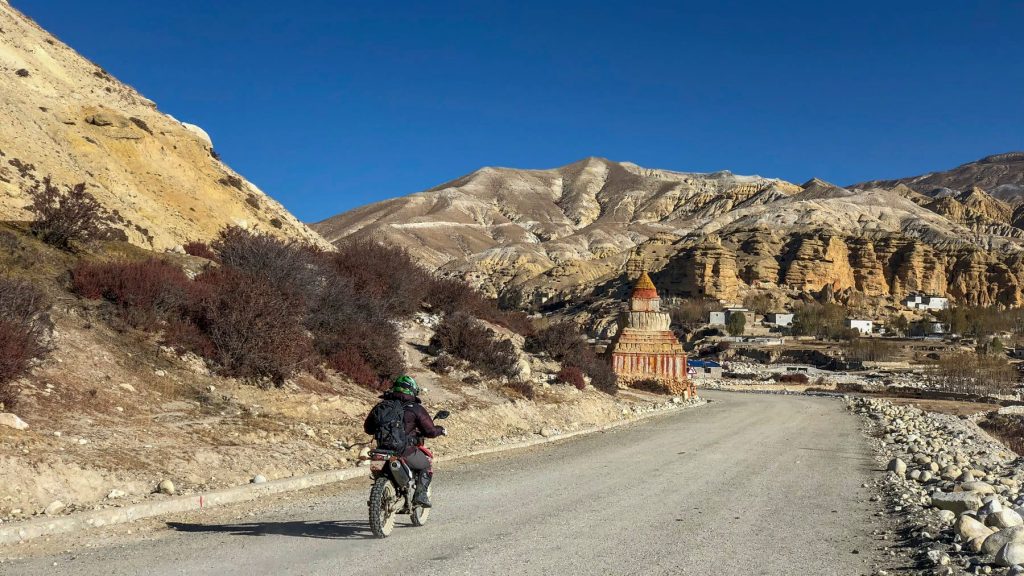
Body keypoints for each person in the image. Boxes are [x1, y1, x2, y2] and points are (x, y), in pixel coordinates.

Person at [363, 375, 445, 507]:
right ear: (412, 390)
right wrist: (440, 430)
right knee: (426, 465)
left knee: (378, 472)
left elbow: (368, 428)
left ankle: (382, 494)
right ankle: (420, 495)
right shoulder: (415, 408)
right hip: (405, 451)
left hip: (381, 450)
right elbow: (430, 431)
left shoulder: (382, 405)